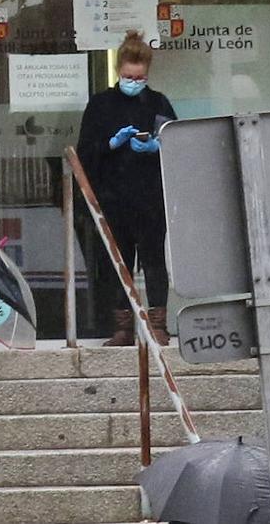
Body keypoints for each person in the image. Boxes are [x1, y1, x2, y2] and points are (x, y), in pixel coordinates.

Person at [77, 29, 177, 347]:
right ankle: (122, 326)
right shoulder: (101, 105)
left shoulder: (158, 102)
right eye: (129, 76)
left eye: (140, 77)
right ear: (119, 71)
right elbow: (85, 152)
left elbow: (176, 140)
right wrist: (111, 143)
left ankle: (158, 323)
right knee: (117, 263)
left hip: (149, 198)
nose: (134, 81)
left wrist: (156, 146)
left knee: (154, 261)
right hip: (113, 198)